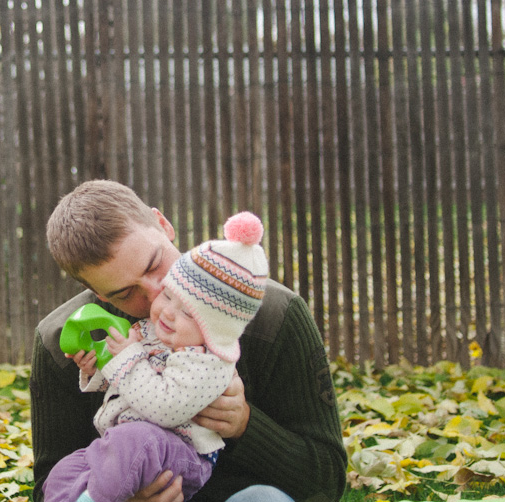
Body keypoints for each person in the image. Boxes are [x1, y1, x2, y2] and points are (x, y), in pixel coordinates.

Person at [31, 180, 347, 502]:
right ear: (98, 294)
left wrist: (243, 425)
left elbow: (327, 481)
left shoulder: (274, 317)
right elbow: (48, 487)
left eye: (155, 263)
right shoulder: (63, 342)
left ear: (164, 224)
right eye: (126, 293)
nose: (157, 293)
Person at [44, 213, 270, 502]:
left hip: (178, 451)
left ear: (215, 328)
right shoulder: (156, 332)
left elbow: (164, 408)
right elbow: (127, 381)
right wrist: (98, 367)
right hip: (124, 447)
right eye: (169, 295)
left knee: (136, 440)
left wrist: (127, 358)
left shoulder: (208, 362)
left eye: (188, 311)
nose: (164, 309)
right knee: (66, 470)